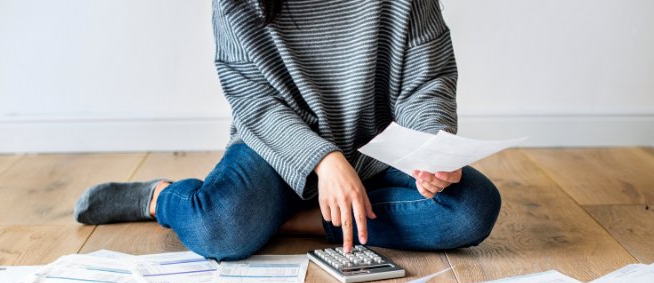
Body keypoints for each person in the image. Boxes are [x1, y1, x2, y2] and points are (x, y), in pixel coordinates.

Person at [74, 0, 501, 260]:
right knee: (219, 227)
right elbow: (253, 101)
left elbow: (428, 77)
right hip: (276, 148)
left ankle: (290, 221)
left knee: (471, 208)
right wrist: (324, 161)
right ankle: (159, 198)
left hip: (377, 151)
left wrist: (430, 151)